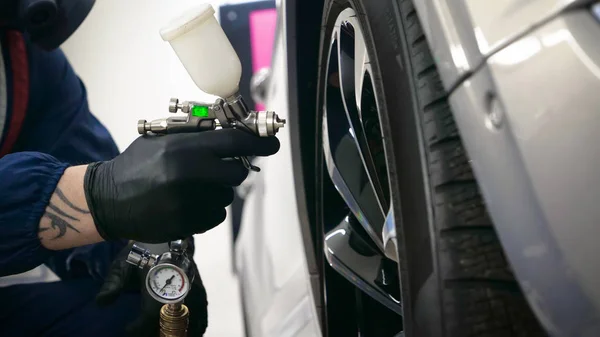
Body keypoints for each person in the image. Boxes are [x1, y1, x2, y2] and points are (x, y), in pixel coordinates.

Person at [0, 1, 280, 336]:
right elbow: (96, 189)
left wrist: (141, 241)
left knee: (133, 306)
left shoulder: (27, 59)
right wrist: (97, 196)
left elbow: (79, 156)